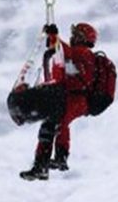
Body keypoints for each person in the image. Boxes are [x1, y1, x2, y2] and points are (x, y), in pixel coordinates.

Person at [19, 22, 98, 181]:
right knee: (58, 123)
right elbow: (64, 61)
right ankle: (57, 160)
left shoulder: (82, 53)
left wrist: (55, 38)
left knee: (52, 124)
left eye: (76, 35)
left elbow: (65, 53)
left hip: (75, 98)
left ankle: (44, 165)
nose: (73, 37)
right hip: (73, 98)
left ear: (83, 38)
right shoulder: (81, 56)